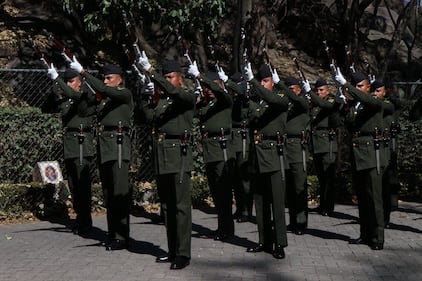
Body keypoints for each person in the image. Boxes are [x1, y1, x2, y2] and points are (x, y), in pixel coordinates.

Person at [137, 53, 195, 270]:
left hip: (178, 154)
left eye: (171, 77)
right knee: (167, 207)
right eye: (166, 77)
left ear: (180, 78)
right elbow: (148, 118)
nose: (168, 80)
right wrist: (145, 96)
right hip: (162, 155)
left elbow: (173, 92)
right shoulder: (163, 101)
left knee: (181, 207)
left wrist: (152, 73)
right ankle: (172, 250)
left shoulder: (186, 96)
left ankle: (183, 253)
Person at [70, 58, 133, 251]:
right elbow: (84, 112)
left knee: (119, 193)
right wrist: (84, 92)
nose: (105, 82)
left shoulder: (124, 94)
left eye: (109, 78)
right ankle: (112, 233)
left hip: (119, 146)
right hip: (105, 147)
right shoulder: (105, 99)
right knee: (109, 194)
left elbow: (105, 90)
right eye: (104, 78)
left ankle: (122, 237)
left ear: (119, 80)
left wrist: (83, 73)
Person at [334, 70, 385, 250]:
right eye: (355, 86)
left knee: (374, 197)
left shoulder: (374, 101)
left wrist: (345, 85)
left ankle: (378, 237)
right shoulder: (355, 105)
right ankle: (365, 234)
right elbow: (344, 123)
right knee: (362, 197)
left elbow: (369, 102)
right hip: (357, 155)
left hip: (371, 154)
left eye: (360, 86)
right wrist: (341, 105)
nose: (357, 89)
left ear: (368, 87)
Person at [243, 63, 290, 259]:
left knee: (277, 203)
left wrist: (253, 82)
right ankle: (264, 241)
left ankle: (279, 243)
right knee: (260, 200)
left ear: (273, 81)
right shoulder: (259, 102)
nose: (262, 84)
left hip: (274, 154)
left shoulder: (281, 97)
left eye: (266, 80)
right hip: (258, 155)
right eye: (260, 80)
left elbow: (273, 101)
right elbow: (249, 116)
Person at [187, 62, 235, 242]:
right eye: (205, 88)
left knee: (223, 192)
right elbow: (192, 112)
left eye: (210, 86)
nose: (207, 90)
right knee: (216, 192)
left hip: (222, 148)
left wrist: (200, 76)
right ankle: (222, 228)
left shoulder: (224, 100)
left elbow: (221, 93)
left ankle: (228, 230)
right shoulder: (207, 104)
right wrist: (196, 95)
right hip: (210, 150)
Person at [47, 66, 95, 235]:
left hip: (82, 144)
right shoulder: (65, 99)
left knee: (83, 185)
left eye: (70, 81)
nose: (68, 85)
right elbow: (46, 107)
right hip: (70, 144)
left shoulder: (83, 96)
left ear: (79, 83)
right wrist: (54, 87)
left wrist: (57, 80)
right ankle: (80, 219)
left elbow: (73, 95)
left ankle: (86, 222)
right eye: (66, 82)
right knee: (74, 185)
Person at [218, 70, 252, 223]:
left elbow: (241, 91)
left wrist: (228, 82)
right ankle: (239, 207)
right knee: (235, 177)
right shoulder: (232, 96)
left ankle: (246, 210)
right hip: (232, 136)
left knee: (244, 175)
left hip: (243, 137)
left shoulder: (245, 93)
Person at [306, 78, 342, 216]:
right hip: (316, 143)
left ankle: (329, 206)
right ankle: (322, 205)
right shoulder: (314, 103)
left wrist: (310, 93)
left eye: (321, 90)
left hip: (327, 143)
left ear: (328, 90)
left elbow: (326, 106)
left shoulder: (331, 101)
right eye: (317, 90)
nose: (319, 92)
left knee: (328, 177)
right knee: (321, 177)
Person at [280, 76, 310, 235]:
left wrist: (281, 86)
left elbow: (297, 101)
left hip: (298, 148)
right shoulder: (287, 104)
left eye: (291, 89)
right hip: (285, 147)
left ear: (299, 89)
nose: (288, 93)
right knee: (290, 187)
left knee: (299, 186)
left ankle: (301, 221)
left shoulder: (302, 102)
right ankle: (292, 220)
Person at [371, 80, 396, 228]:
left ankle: (385, 217)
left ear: (384, 92)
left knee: (385, 183)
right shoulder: (372, 104)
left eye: (379, 91)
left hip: (386, 148)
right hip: (373, 147)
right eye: (374, 91)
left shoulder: (387, 104)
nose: (376, 94)